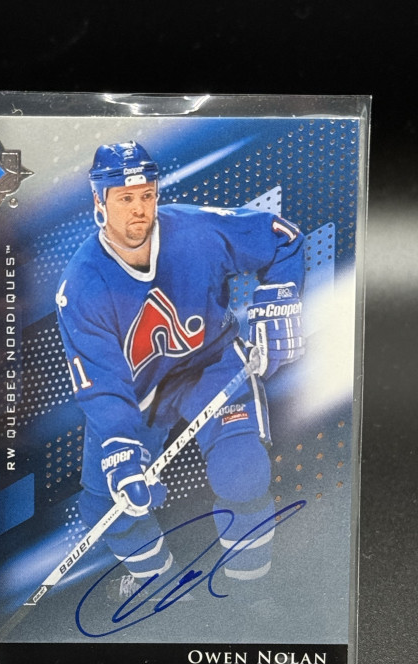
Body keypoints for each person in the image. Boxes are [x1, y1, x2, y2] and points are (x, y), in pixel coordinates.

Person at [56, 140, 305, 600]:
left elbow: (280, 236)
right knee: (109, 507)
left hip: (210, 365)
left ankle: (251, 595)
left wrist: (279, 302)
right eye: (125, 198)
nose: (139, 209)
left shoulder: (194, 230)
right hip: (137, 395)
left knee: (242, 472)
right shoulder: (81, 285)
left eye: (147, 195)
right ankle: (164, 592)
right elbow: (103, 386)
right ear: (99, 202)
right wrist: (121, 450)